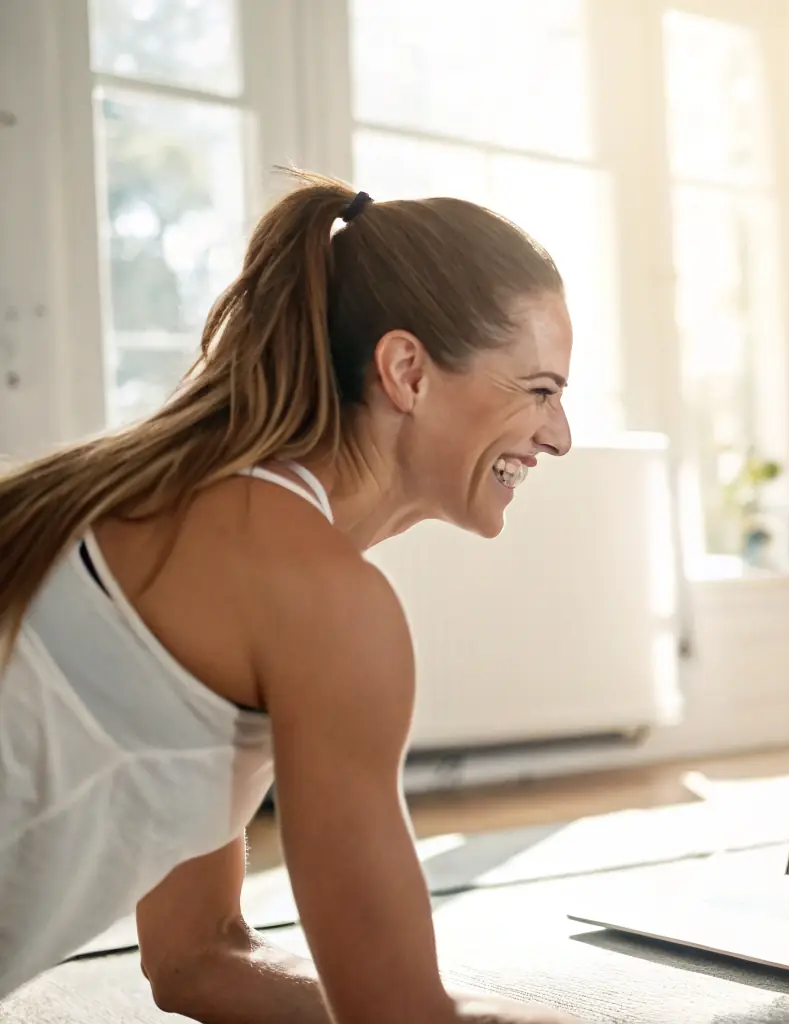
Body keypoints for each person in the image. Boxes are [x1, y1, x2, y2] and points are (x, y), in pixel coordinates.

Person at [0, 171, 580, 1023]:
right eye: (540, 390)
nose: (558, 436)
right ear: (407, 371)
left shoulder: (197, 508)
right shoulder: (321, 601)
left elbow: (197, 957)